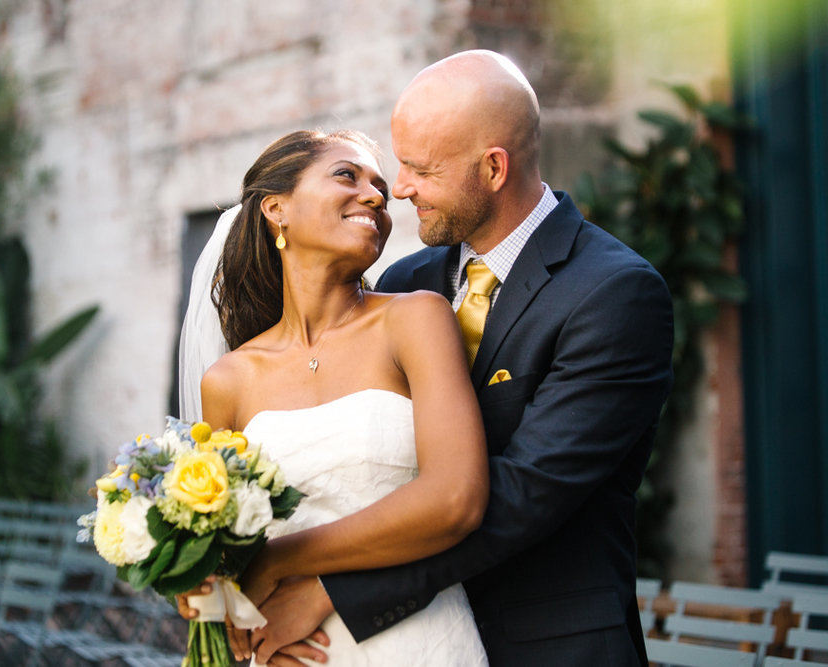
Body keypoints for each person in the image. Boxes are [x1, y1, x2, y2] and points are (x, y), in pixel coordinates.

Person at [241, 51, 675, 666]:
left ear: (494, 168)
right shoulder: (405, 279)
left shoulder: (614, 293)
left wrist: (330, 591)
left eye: (420, 168)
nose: (402, 188)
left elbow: (522, 494)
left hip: (545, 647)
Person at [190, 128, 491, 665]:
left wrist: (277, 561)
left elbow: (455, 499)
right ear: (277, 209)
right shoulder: (228, 380)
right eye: (346, 175)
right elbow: (217, 557)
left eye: (379, 185)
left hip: (419, 643)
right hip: (287, 652)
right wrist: (208, 601)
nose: (377, 195)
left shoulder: (415, 319)